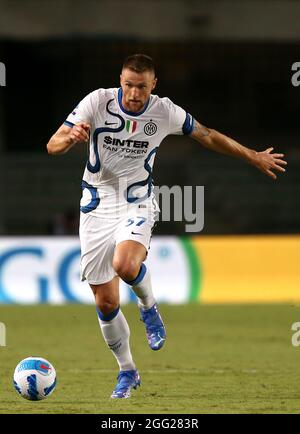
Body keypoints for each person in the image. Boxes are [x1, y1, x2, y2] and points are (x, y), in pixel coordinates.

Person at [46, 54, 287, 399]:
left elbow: (206, 135)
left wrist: (251, 155)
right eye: (128, 85)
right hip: (96, 206)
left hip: (137, 202)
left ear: (153, 85)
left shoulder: (164, 111)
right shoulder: (97, 102)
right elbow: (52, 144)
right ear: (120, 80)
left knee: (126, 265)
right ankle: (127, 372)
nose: (133, 93)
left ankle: (149, 308)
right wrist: (71, 138)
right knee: (104, 303)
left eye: (141, 87)